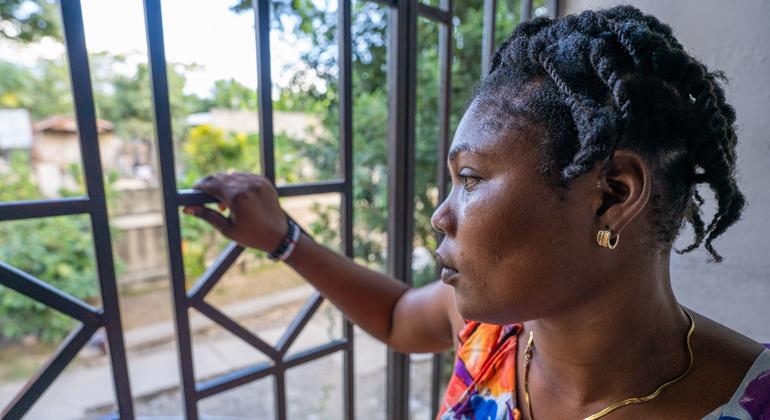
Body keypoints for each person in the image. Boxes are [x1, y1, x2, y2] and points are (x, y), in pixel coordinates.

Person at [183, 5, 770, 419]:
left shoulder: (751, 402)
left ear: (612, 195)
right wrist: (283, 238)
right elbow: (393, 316)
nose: (441, 215)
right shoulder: (492, 333)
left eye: (469, 179)